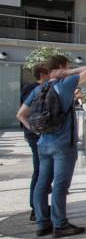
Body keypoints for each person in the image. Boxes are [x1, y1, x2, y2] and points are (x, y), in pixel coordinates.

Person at [16, 55, 86, 237]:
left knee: (42, 183)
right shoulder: (65, 85)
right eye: (67, 66)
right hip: (63, 145)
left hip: (43, 143)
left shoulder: (38, 89)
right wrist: (66, 73)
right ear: (61, 66)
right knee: (60, 186)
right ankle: (60, 225)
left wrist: (37, 132)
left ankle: (42, 223)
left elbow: (21, 114)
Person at [20, 63, 50, 222]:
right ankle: (36, 208)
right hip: (37, 136)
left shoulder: (29, 88)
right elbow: (24, 113)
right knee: (40, 172)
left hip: (34, 135)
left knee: (41, 171)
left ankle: (38, 206)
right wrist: (35, 130)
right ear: (44, 74)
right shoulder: (36, 90)